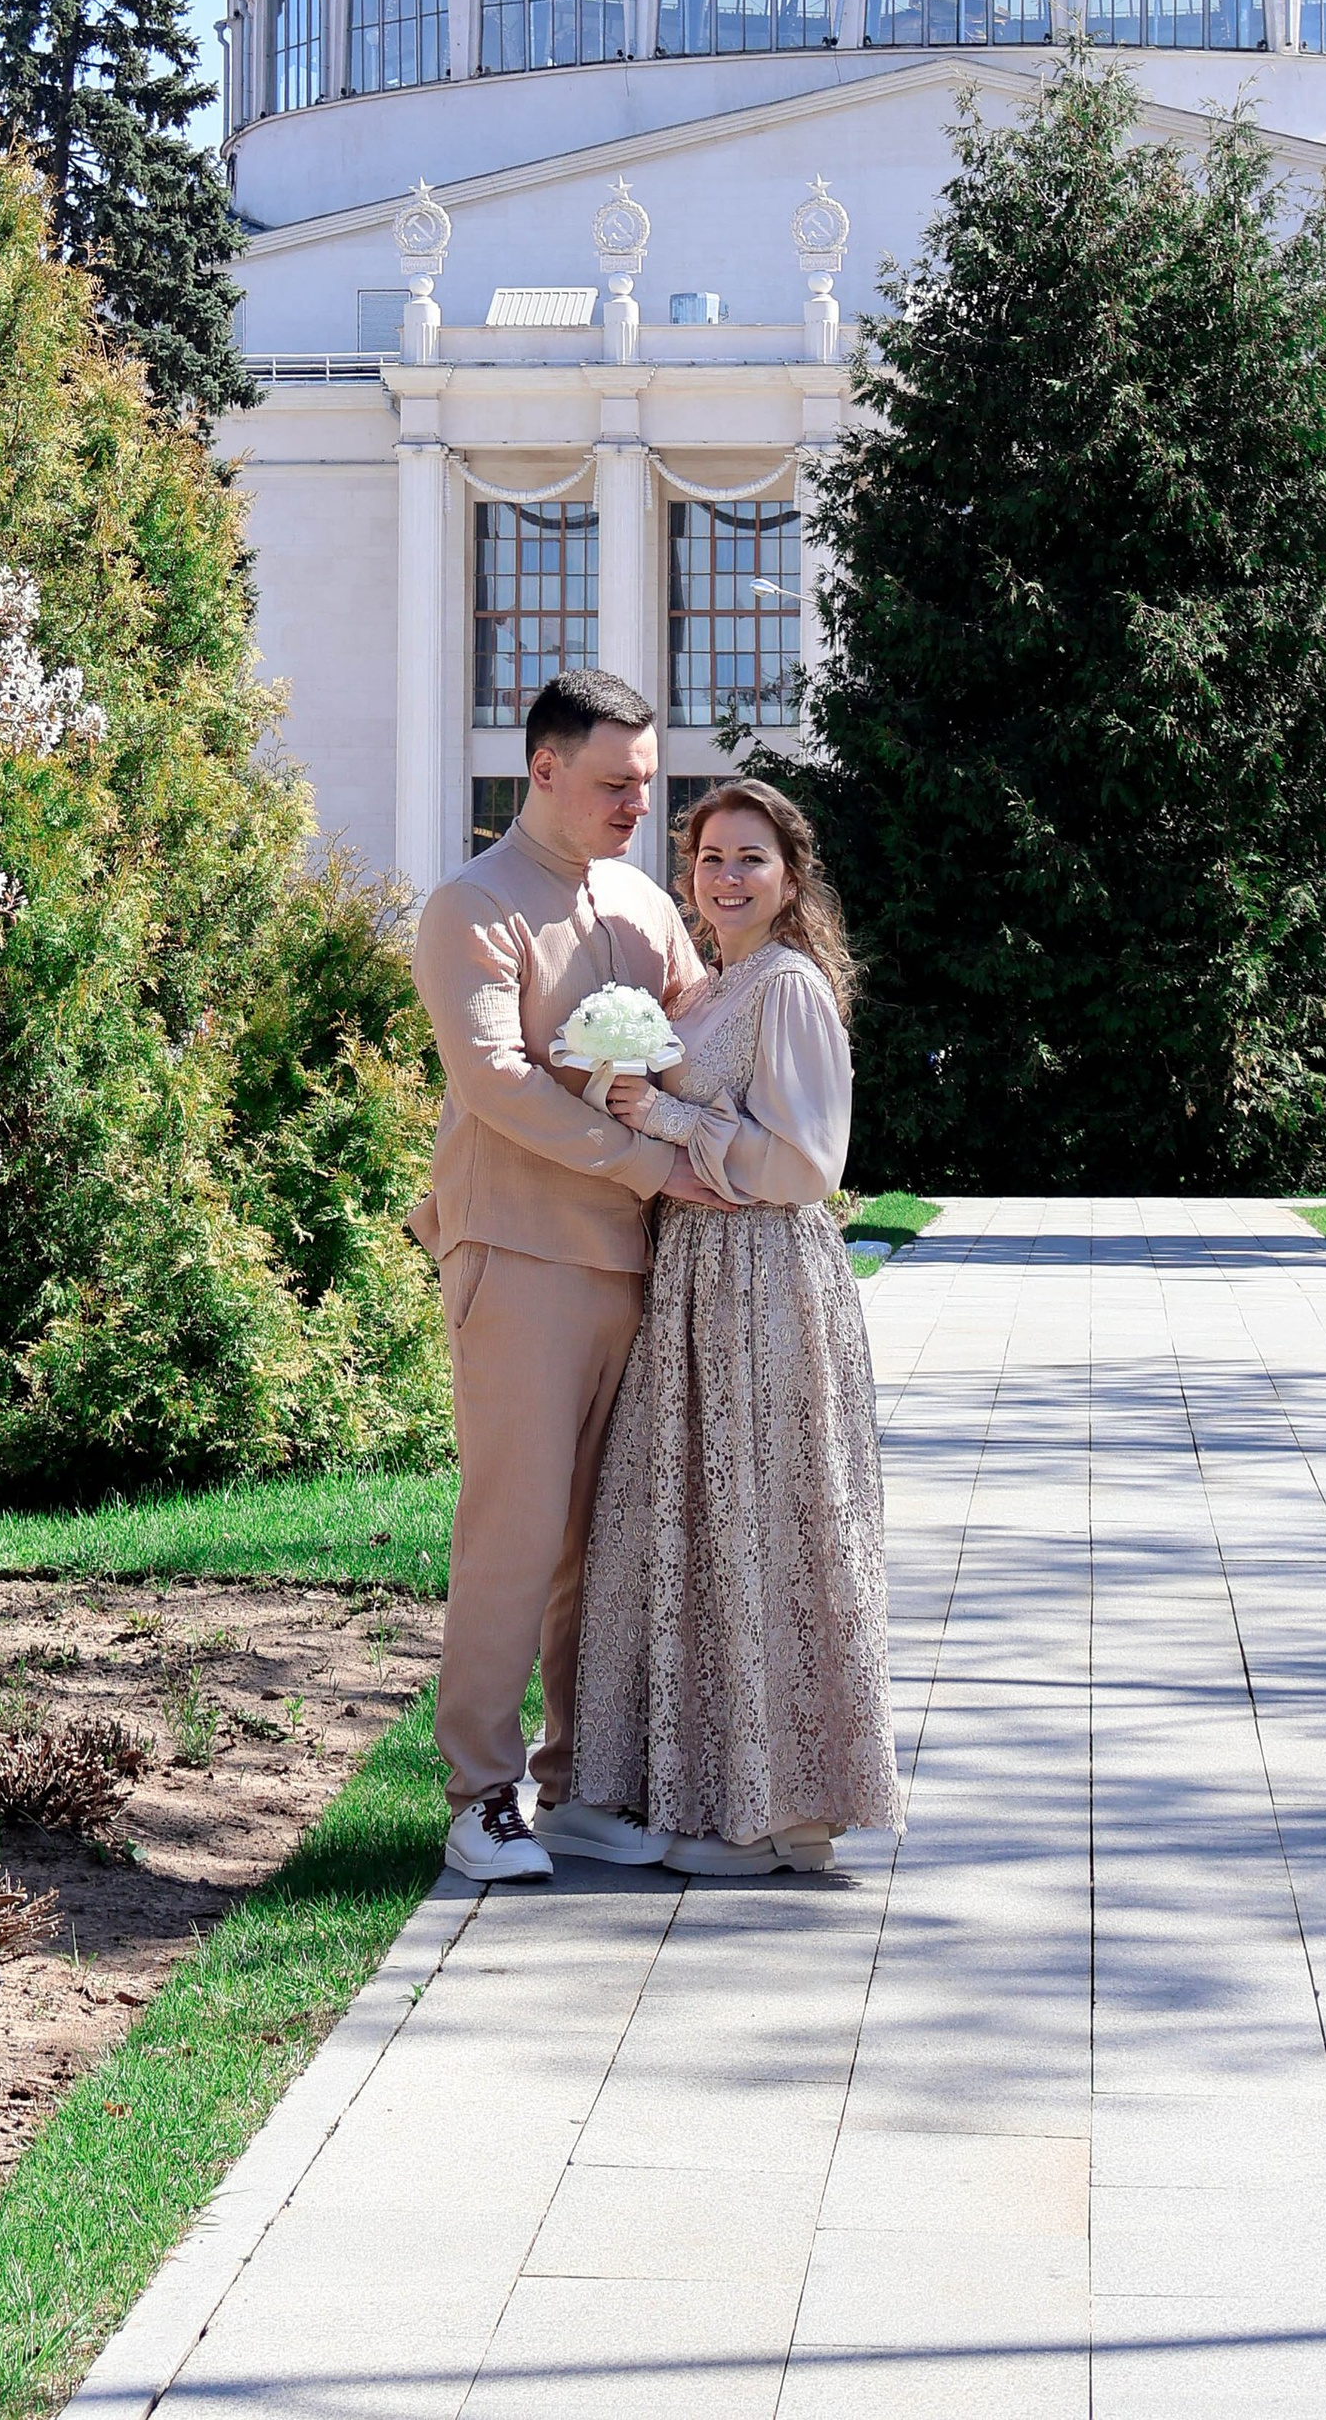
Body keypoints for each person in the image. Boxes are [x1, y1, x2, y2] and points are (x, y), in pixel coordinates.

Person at [407, 668, 735, 1882]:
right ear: (539, 767)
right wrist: (650, 1167)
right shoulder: (472, 907)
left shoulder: (644, 903)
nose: (634, 806)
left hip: (640, 1266)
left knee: (604, 1539)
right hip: (521, 1256)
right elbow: (495, 1083)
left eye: (647, 785)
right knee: (516, 1529)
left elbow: (700, 1040)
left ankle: (580, 1780)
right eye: (612, 783)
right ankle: (478, 1794)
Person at [574, 778, 897, 1878]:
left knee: (763, 1520)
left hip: (763, 1279)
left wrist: (664, 1115)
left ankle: (781, 1811)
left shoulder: (789, 985)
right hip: (696, 1279)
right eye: (711, 857)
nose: (727, 875)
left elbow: (809, 1163)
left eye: (750, 857)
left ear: (790, 878)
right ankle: (715, 1794)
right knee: (700, 1529)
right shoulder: (709, 989)